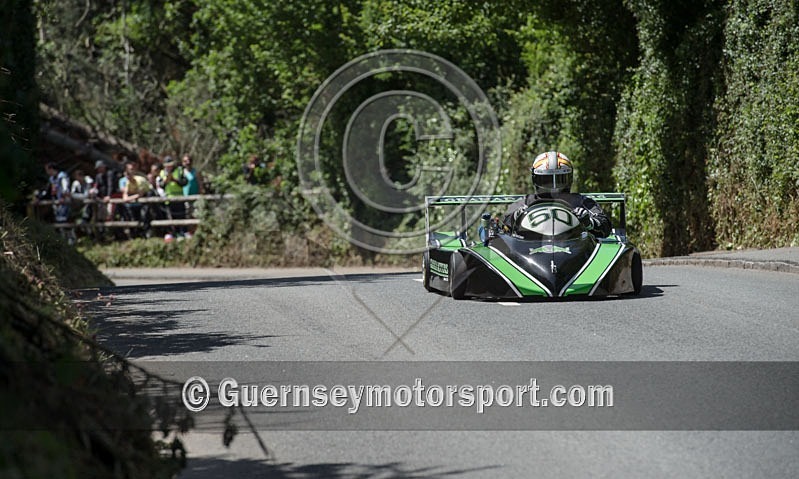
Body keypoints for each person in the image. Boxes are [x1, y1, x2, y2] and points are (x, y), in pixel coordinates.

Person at [503, 151, 612, 237]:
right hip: (530, 251)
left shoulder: (582, 201)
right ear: (535, 179)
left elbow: (605, 226)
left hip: (575, 250)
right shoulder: (525, 202)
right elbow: (503, 227)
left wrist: (589, 223)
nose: (554, 187)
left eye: (559, 180)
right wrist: (515, 217)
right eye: (547, 180)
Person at [157, 156, 188, 237]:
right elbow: (161, 185)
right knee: (171, 216)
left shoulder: (179, 171)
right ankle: (173, 233)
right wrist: (166, 180)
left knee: (181, 215)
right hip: (169, 198)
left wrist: (175, 180)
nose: (169, 167)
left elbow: (184, 182)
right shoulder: (162, 173)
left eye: (170, 165)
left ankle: (183, 232)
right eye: (167, 165)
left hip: (179, 197)